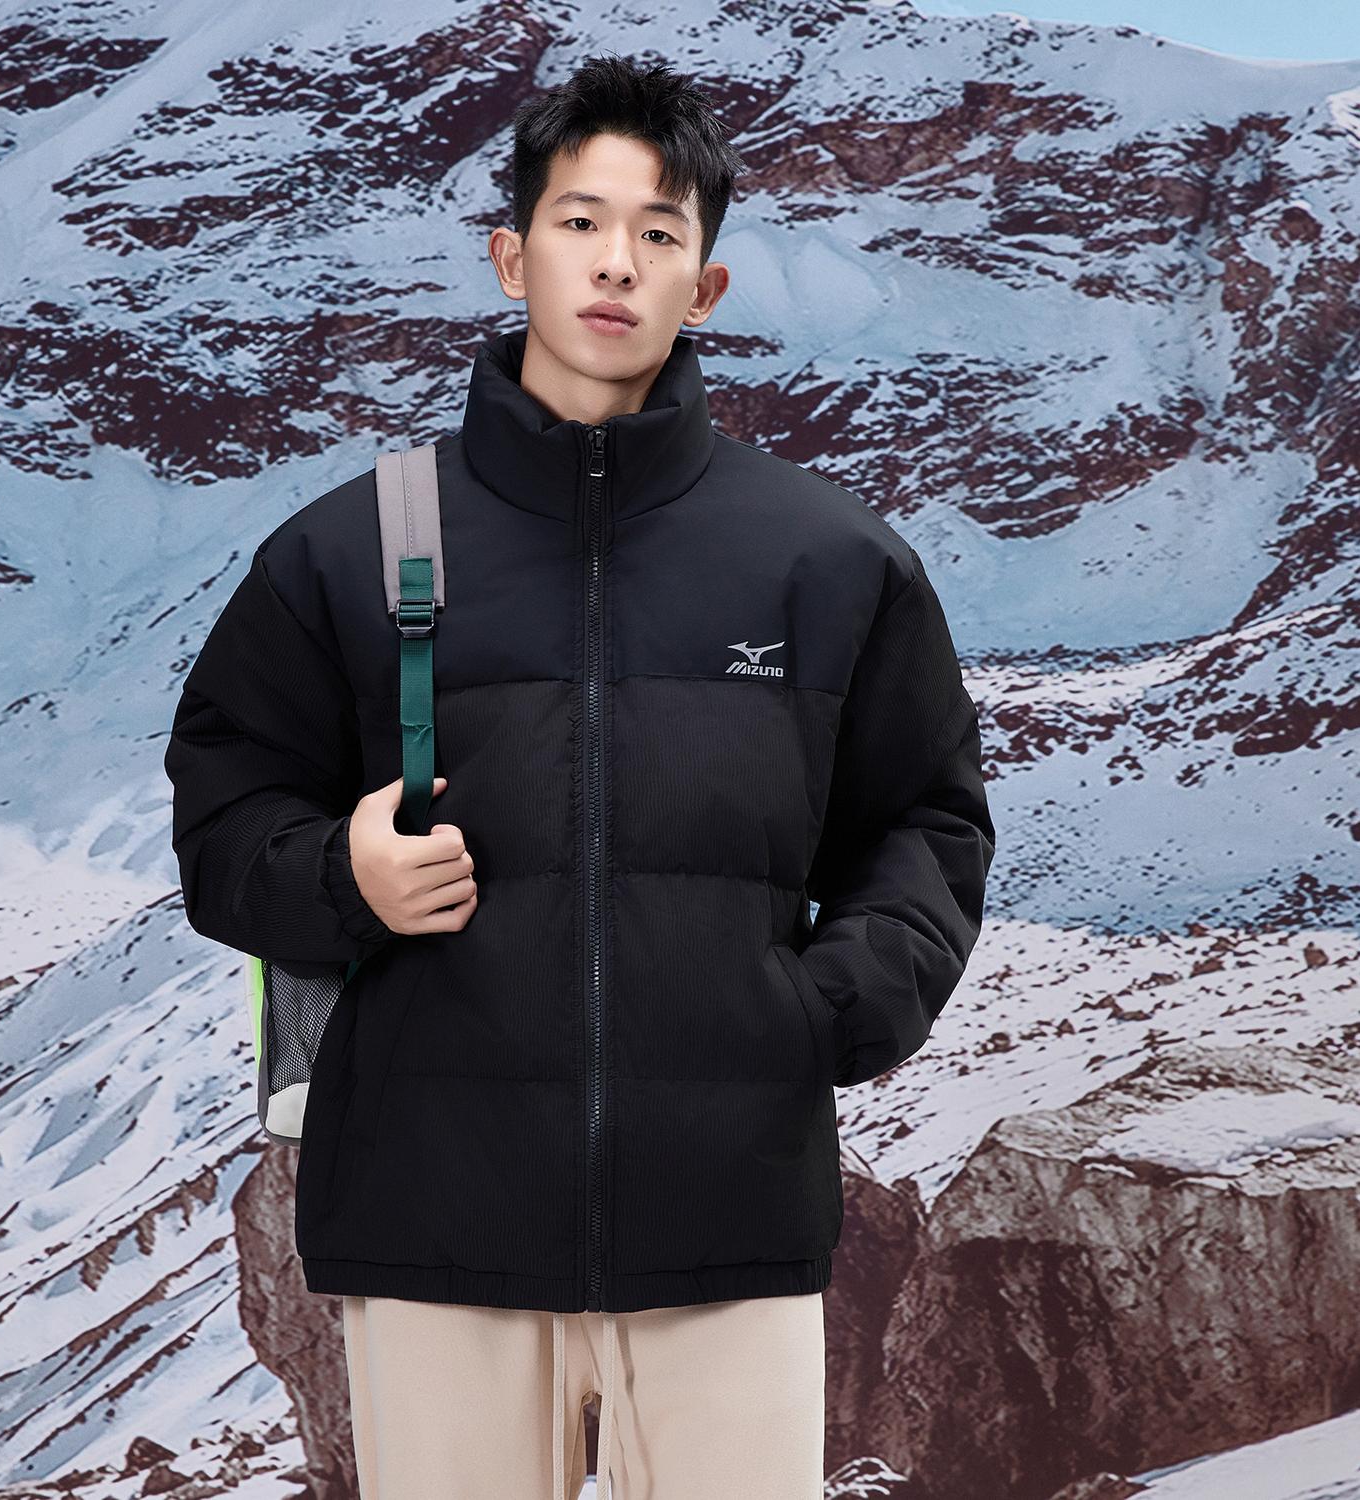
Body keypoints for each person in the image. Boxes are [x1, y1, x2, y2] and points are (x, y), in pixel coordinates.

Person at [164, 52, 995, 1500]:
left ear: (704, 288)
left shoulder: (827, 560)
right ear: (513, 258)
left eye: (660, 232)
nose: (617, 262)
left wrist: (818, 1014)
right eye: (580, 221)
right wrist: (340, 877)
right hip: (433, 1229)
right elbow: (222, 815)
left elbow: (925, 821)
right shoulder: (348, 549)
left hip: (730, 1221)